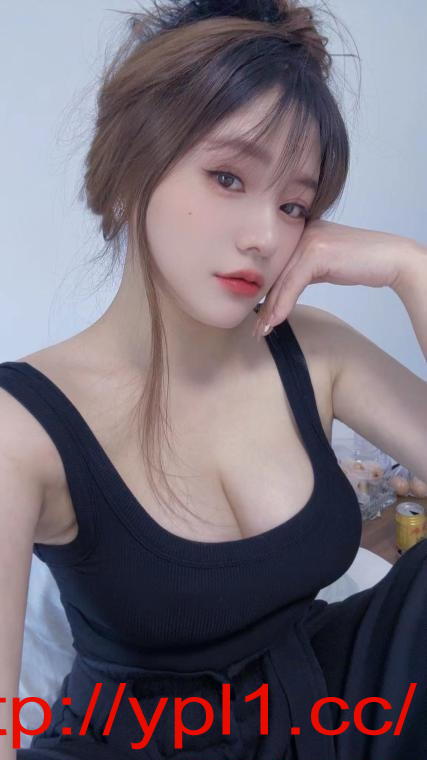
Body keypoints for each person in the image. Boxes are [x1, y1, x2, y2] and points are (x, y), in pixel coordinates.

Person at [0, 0, 426, 757]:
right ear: (134, 166)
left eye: (293, 205)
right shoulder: (21, 427)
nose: (265, 236)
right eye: (227, 177)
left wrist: (409, 269)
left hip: (330, 710)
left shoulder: (311, 348)